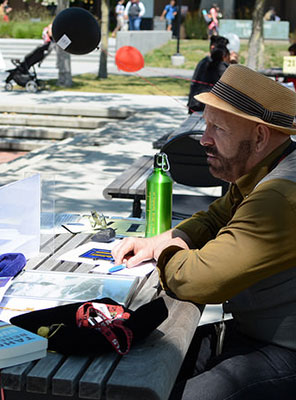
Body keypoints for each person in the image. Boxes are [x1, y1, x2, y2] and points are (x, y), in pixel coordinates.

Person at [112, 64, 296, 399]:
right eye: (205, 124)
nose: (204, 139)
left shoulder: (278, 196)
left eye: (217, 129)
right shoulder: (267, 170)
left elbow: (198, 279)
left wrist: (163, 252)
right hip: (254, 334)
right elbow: (214, 217)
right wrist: (163, 239)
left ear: (259, 136)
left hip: (283, 352)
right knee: (131, 362)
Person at [187, 44, 229, 113]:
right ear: (224, 56)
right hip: (207, 106)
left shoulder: (205, 63)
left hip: (196, 103)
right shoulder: (223, 69)